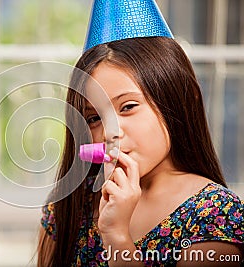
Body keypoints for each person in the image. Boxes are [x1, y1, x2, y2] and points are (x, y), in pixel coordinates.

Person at [37, 1, 244, 266]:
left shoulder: (215, 215)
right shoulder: (67, 206)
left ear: (180, 99)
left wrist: (117, 237)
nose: (111, 132)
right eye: (93, 118)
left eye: (128, 107)